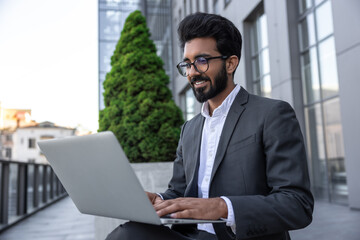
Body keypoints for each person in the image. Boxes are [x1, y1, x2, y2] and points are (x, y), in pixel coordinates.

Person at [106, 12, 314, 240]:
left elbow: (297, 204)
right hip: (191, 236)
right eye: (187, 63)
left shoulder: (272, 114)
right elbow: (178, 191)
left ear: (231, 63)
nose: (193, 72)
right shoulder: (189, 129)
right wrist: (160, 200)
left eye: (202, 61)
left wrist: (221, 207)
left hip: (240, 237)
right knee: (127, 234)